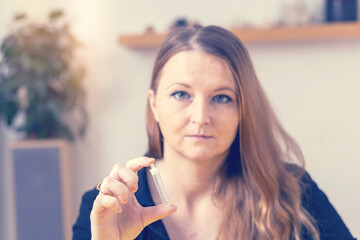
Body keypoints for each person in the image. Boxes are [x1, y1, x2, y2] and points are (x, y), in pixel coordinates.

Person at [72, 25, 356, 240]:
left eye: (221, 98)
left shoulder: (291, 192)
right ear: (154, 104)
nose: (200, 117)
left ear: (243, 109)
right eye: (181, 94)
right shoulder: (107, 208)